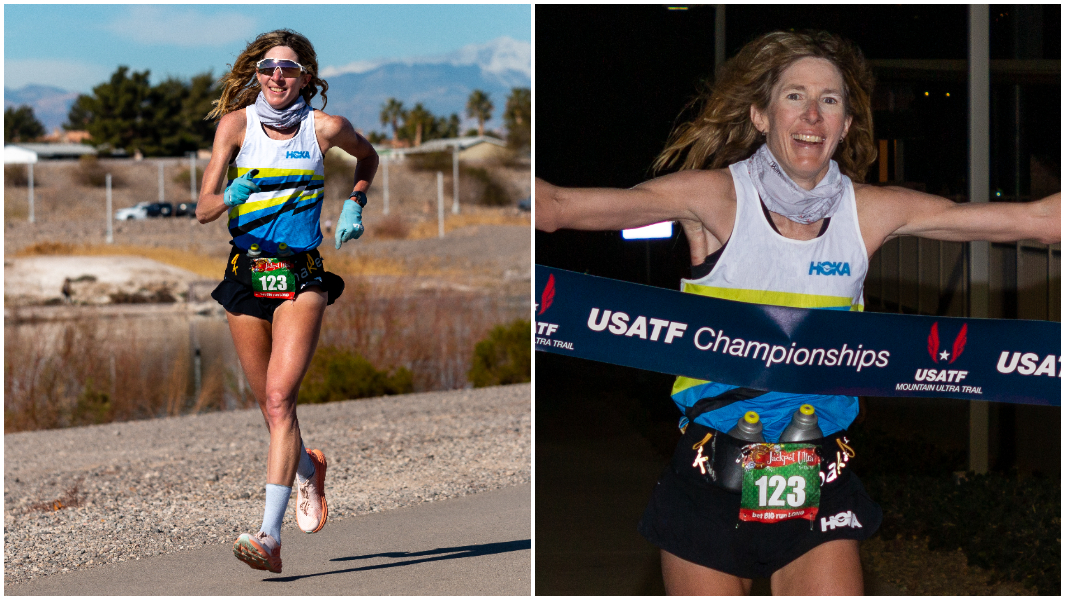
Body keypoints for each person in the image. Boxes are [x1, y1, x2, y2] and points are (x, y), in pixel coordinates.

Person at [535, 30, 1059, 595]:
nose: (812, 113)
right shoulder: (714, 198)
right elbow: (556, 208)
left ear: (846, 125)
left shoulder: (872, 210)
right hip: (710, 470)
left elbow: (1036, 222)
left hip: (818, 470)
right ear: (761, 115)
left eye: (830, 100)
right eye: (794, 96)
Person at [197, 29, 379, 574]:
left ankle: (269, 539)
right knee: (268, 407)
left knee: (280, 400)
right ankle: (308, 468)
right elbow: (203, 209)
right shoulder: (235, 126)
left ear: (306, 76)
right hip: (246, 274)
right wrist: (226, 196)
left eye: (290, 68)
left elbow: (368, 157)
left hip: (301, 277)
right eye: (269, 67)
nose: (278, 76)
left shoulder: (326, 129)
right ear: (256, 74)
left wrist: (355, 203)